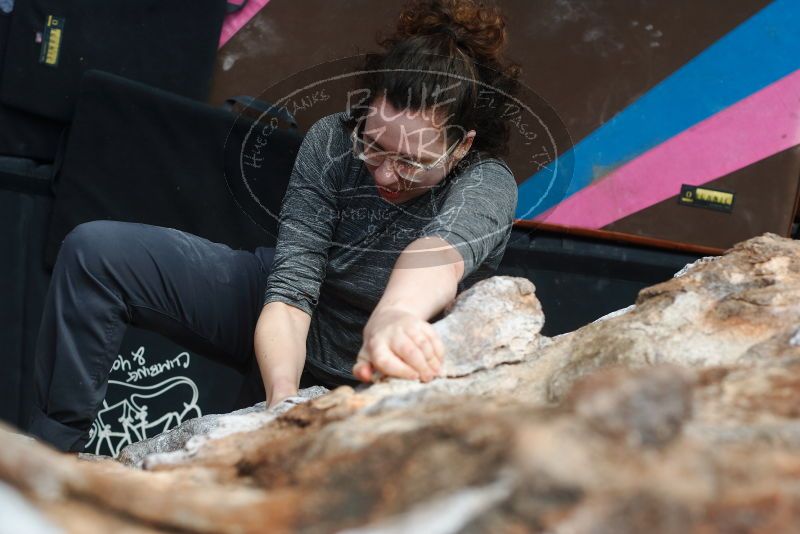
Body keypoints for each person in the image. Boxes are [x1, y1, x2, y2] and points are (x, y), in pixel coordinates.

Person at [26, 0, 521, 452]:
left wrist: (394, 317)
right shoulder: (332, 141)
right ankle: (52, 458)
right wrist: (283, 405)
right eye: (374, 146)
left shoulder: (486, 183)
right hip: (290, 322)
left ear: (460, 146)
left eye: (411, 162)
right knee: (96, 254)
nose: (387, 174)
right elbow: (290, 293)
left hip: (390, 370)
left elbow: (436, 255)